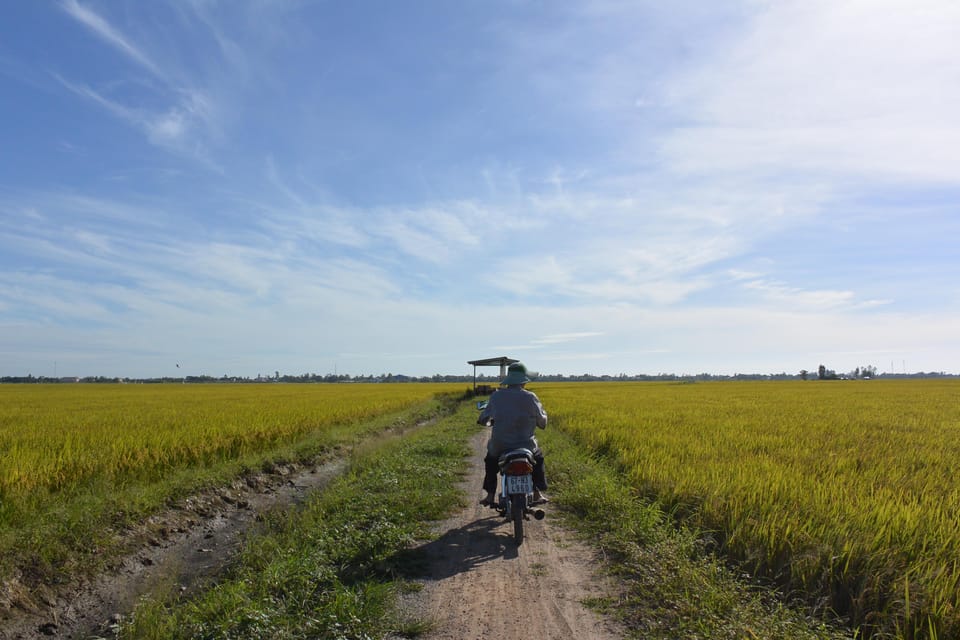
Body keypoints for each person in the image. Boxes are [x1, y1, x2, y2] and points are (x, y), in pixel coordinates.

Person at [477, 362, 548, 506]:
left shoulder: (496, 396)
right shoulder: (530, 397)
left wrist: (483, 420)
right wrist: (542, 418)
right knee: (538, 459)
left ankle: (490, 495)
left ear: (509, 380)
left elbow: (484, 417)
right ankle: (537, 493)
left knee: (491, 462)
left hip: (500, 445)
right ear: (524, 381)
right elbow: (542, 424)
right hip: (526, 445)